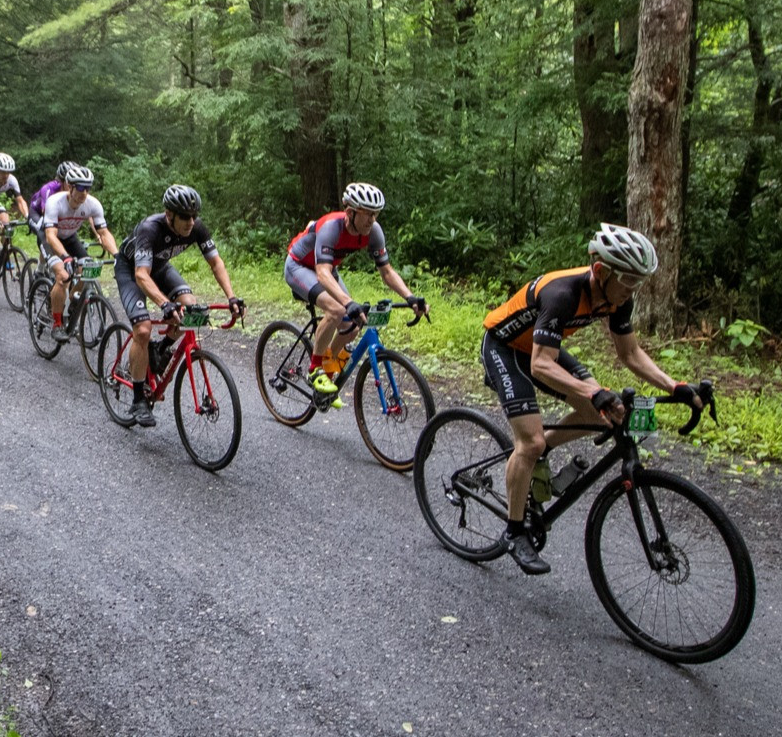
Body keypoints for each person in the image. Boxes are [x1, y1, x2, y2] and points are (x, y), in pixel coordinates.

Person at [479, 223, 694, 575]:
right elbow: (541, 365)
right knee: (530, 441)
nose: (631, 291)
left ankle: (538, 456)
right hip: (504, 348)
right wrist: (594, 392)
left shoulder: (616, 297)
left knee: (603, 415)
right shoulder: (563, 293)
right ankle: (514, 531)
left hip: (541, 348)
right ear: (600, 271)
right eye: (627, 281)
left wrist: (674, 386)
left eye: (638, 282)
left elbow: (631, 354)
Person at [284, 182, 428, 398]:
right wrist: (347, 302)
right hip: (299, 266)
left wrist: (410, 297)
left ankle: (327, 367)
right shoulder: (331, 227)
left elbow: (387, 272)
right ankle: (315, 370)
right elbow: (322, 272)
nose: (372, 220)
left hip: (327, 269)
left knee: (353, 325)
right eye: (368, 214)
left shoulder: (373, 232)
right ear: (350, 213)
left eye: (375, 214)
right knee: (337, 310)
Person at [114, 185, 242, 427]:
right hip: (131, 270)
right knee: (142, 329)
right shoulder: (149, 229)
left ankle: (160, 348)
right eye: (184, 217)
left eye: (194, 216)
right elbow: (141, 275)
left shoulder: (197, 228)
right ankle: (138, 399)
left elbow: (216, 263)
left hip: (160, 266)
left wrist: (232, 297)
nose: (191, 222)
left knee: (192, 310)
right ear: (169, 214)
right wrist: (164, 303)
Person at [36, 162, 120, 338]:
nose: (84, 193)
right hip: (50, 239)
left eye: (88, 188)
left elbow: (104, 233)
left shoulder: (93, 204)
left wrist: (118, 255)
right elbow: (51, 235)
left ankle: (73, 302)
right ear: (70, 187)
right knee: (63, 277)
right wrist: (65, 258)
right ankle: (57, 323)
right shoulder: (55, 202)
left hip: (70, 238)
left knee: (88, 271)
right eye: (80, 188)